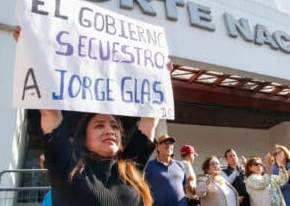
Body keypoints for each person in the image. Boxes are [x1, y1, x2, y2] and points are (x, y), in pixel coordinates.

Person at [14, 26, 160, 206]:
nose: (109, 130)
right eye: (99, 125)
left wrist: (159, 75)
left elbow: (150, 120)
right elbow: (50, 113)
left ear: (122, 139)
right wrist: (32, 54)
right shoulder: (68, 167)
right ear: (84, 138)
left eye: (114, 126)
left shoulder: (129, 167)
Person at [144, 134, 188, 206]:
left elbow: (184, 187)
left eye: (171, 143)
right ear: (157, 147)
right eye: (165, 143)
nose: (169, 145)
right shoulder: (149, 166)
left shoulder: (180, 165)